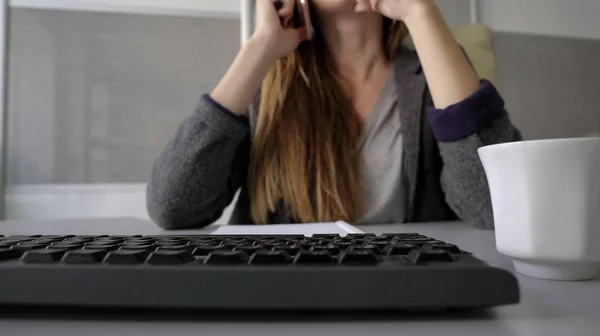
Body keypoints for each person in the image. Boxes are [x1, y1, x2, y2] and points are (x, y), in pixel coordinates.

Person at [146, 0, 521, 230]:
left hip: (410, 298)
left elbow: (498, 208)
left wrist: (420, 14)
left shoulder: (436, 74)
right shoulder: (263, 81)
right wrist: (259, 48)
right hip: (284, 303)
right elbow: (174, 209)